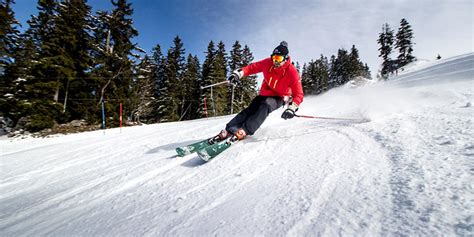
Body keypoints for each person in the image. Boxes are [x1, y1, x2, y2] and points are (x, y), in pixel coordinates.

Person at [209, 41, 304, 144]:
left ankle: (245, 130)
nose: (275, 61)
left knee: (266, 106)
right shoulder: (268, 63)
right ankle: (230, 128)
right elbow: (251, 68)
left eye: (279, 58)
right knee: (251, 109)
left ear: (285, 59)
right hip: (265, 93)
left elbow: (298, 94)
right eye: (274, 58)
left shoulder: (292, 72)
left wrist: (292, 108)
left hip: (279, 97)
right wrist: (237, 74)